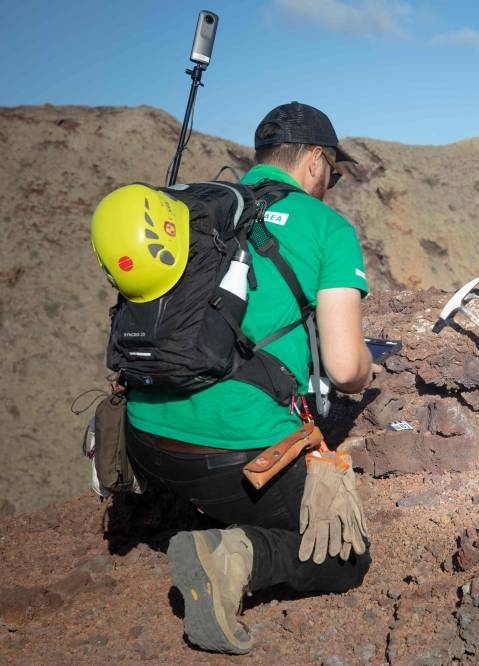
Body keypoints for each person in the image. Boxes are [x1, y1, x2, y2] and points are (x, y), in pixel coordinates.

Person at [111, 102, 373, 654]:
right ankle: (234, 558)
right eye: (334, 171)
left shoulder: (198, 208)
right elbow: (346, 371)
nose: (332, 182)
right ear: (316, 161)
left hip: (142, 441)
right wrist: (369, 364)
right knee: (346, 553)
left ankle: (185, 513)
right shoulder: (327, 225)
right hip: (229, 456)